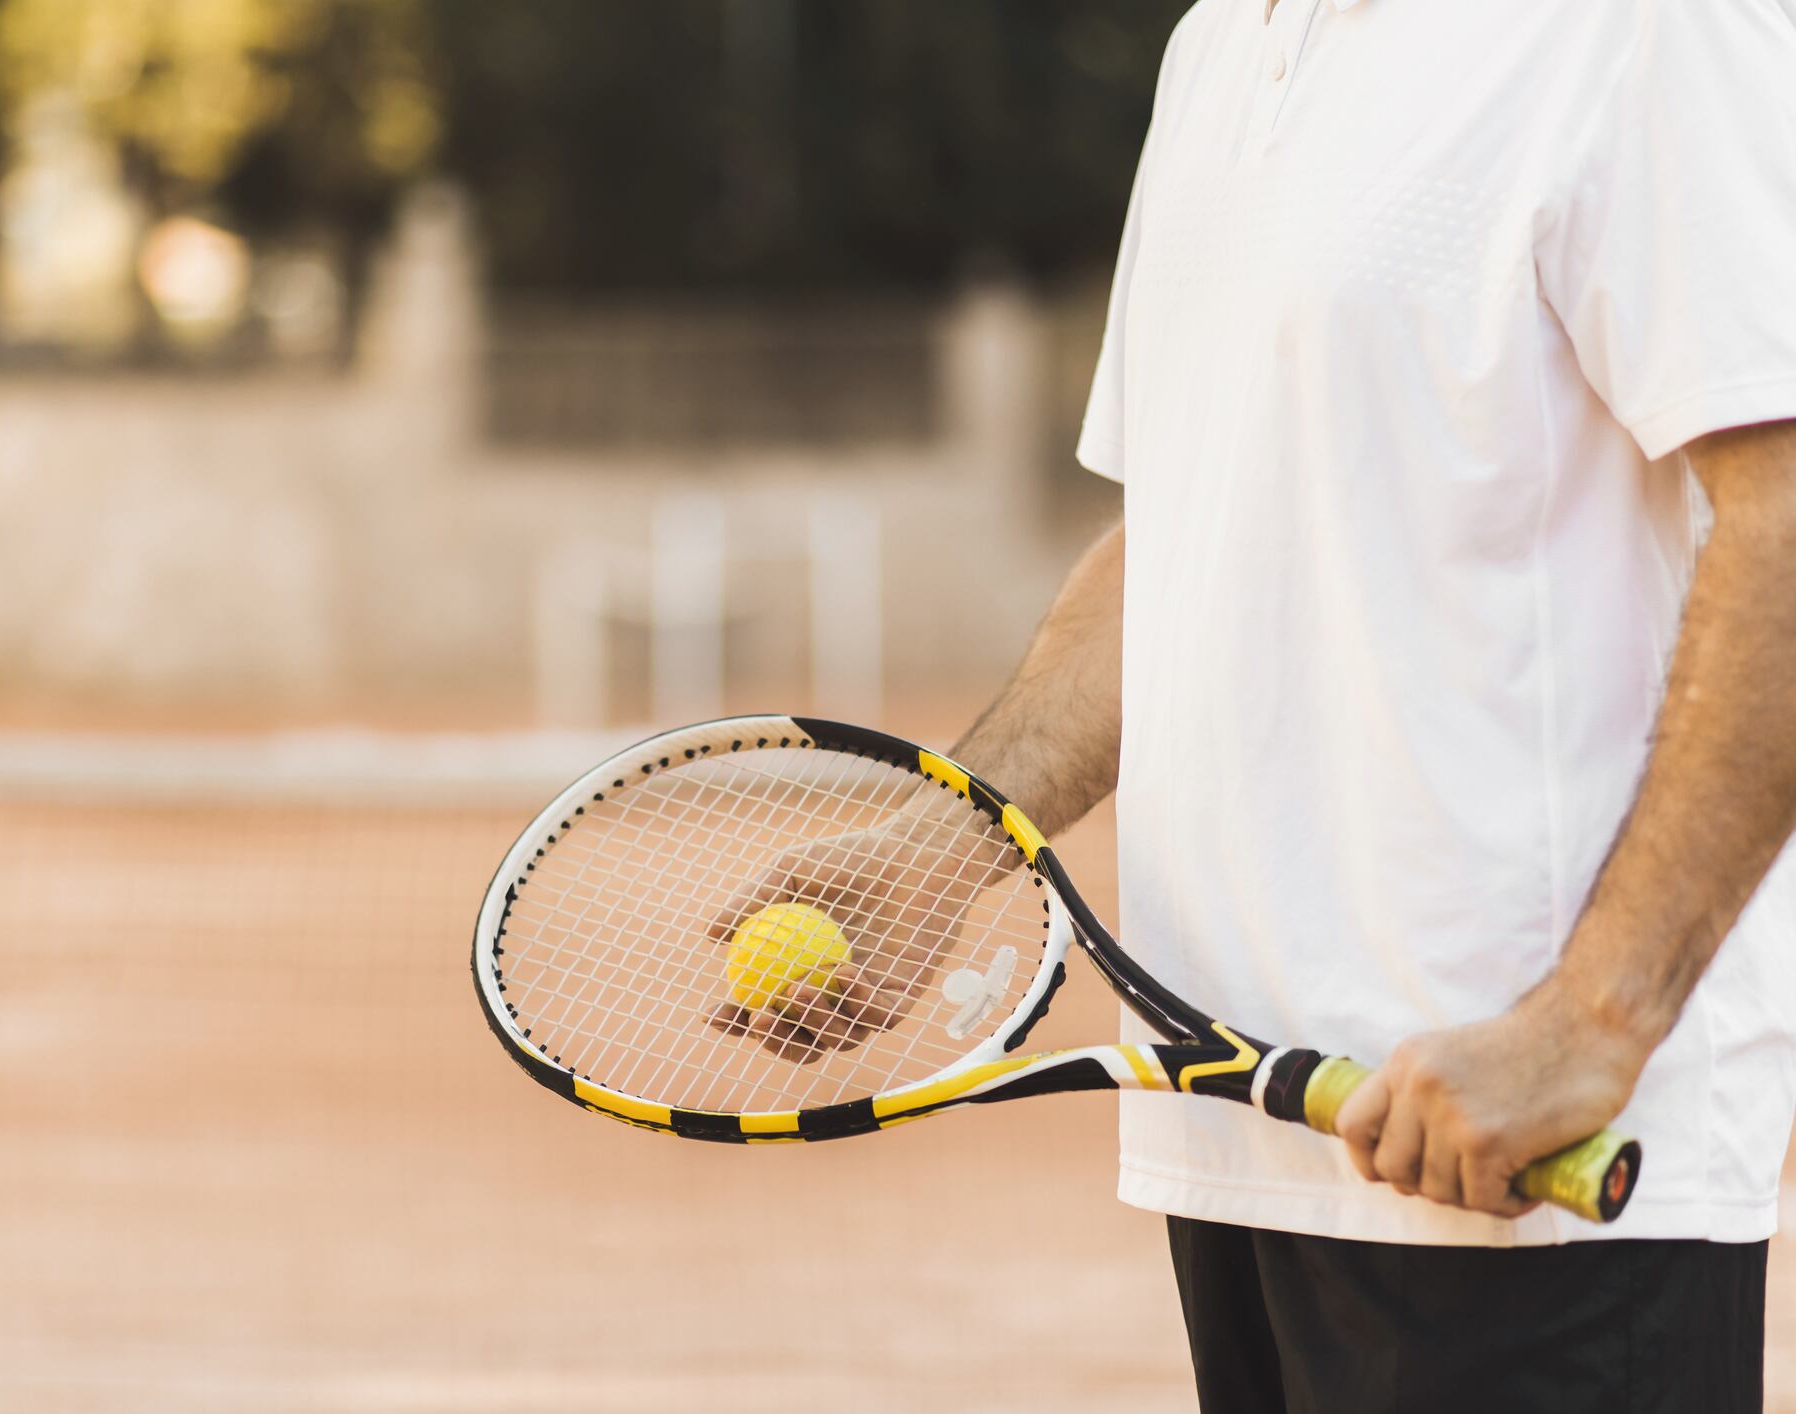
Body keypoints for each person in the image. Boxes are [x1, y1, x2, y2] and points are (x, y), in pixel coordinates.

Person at [718, 1, 1796, 1407]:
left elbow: (1781, 515)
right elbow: (1189, 531)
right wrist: (947, 842)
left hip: (1525, 1164)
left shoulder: (1653, 26)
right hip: (1249, 1118)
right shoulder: (1220, 41)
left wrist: (1595, 1021)